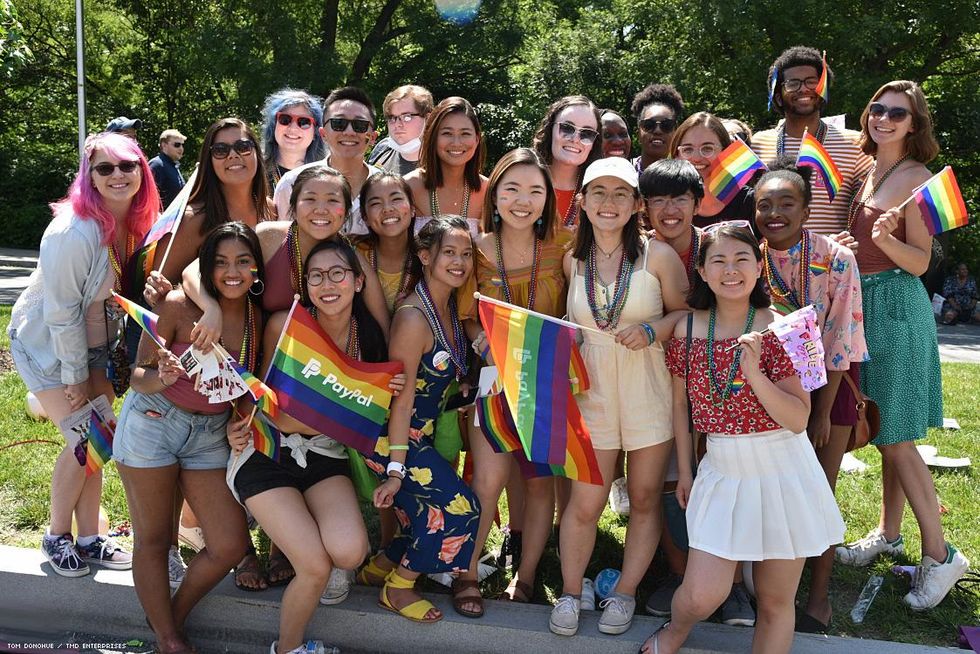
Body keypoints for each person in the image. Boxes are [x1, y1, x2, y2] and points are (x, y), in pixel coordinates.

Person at [639, 222, 845, 654]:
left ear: (758, 266)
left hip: (785, 473)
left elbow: (796, 418)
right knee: (700, 595)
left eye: (741, 259)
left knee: (774, 600)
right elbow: (681, 408)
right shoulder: (687, 330)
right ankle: (673, 633)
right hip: (723, 470)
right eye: (718, 260)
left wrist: (754, 373)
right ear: (702, 270)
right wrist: (687, 472)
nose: (730, 270)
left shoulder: (787, 328)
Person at [226, 239, 402, 654]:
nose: (328, 284)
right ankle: (288, 648)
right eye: (317, 276)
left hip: (323, 455)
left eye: (338, 273)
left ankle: (301, 529)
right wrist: (358, 406)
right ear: (305, 286)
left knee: (351, 551)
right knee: (314, 567)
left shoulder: (370, 339)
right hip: (267, 452)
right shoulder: (285, 326)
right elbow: (278, 413)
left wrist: (379, 395)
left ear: (358, 282)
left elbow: (379, 406)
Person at [836, 80, 969, 610]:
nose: (883, 118)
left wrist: (886, 239)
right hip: (862, 305)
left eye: (897, 113)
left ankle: (940, 555)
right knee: (885, 426)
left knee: (895, 434)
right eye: (877, 109)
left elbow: (920, 263)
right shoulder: (868, 171)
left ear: (914, 125)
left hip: (894, 307)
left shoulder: (920, 180)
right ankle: (889, 534)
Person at [550, 157, 687, 637]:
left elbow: (687, 315)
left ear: (635, 206)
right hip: (592, 394)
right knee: (585, 504)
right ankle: (570, 592)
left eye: (620, 194)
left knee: (646, 498)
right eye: (599, 193)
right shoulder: (572, 258)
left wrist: (653, 328)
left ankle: (624, 592)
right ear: (582, 202)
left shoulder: (659, 257)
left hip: (648, 389)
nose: (609, 203)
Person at [113, 222, 258, 654]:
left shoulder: (258, 318)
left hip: (210, 434)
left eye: (243, 262)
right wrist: (163, 377)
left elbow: (251, 386)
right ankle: (170, 640)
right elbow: (138, 376)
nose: (232, 272)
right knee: (155, 539)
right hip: (154, 421)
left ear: (256, 270)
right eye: (221, 262)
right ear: (207, 268)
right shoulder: (178, 306)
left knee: (230, 544)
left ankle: (169, 617)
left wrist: (240, 419)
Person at [8, 132, 148, 577]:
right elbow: (62, 312)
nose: (117, 175)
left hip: (97, 348)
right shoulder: (73, 230)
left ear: (141, 170)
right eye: (104, 168)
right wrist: (72, 377)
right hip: (50, 348)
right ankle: (56, 535)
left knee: (99, 442)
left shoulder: (136, 222)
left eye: (126, 165)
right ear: (88, 176)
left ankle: (89, 537)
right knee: (82, 441)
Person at [753, 160, 869, 632]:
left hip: (828, 388)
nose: (774, 213)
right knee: (767, 490)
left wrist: (820, 413)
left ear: (806, 209)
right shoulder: (746, 253)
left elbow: (842, 336)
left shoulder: (836, 258)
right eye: (764, 204)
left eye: (786, 203)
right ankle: (760, 591)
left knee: (818, 491)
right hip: (763, 386)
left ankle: (818, 597)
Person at [457, 148, 570, 614]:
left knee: (541, 483)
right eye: (512, 189)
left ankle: (525, 579)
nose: (522, 201)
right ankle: (466, 574)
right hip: (495, 380)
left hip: (548, 380)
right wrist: (481, 340)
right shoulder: (475, 249)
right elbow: (466, 316)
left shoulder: (567, 245)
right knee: (489, 479)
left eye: (535, 191)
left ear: (548, 199)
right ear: (494, 194)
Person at [357, 216, 481, 624]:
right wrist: (395, 469)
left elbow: (433, 381)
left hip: (417, 434)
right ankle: (399, 587)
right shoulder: (414, 317)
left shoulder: (446, 306)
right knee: (461, 511)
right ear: (425, 256)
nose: (459, 262)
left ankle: (377, 571)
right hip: (391, 437)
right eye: (449, 252)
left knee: (424, 515)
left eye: (466, 253)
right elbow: (401, 398)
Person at [636, 158, 703, 618]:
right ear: (644, 207)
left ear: (697, 202)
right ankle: (676, 572)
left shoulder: (721, 245)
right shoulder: (640, 254)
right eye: (657, 200)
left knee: (714, 479)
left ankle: (728, 581)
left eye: (679, 198)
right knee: (667, 482)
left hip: (719, 385)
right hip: (659, 384)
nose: (669, 209)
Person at [753, 46, 873, 236]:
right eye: (793, 83)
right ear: (778, 95)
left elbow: (867, 209)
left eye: (812, 82)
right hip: (772, 261)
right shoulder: (757, 144)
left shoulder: (855, 144)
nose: (804, 89)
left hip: (831, 261)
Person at [145, 117, 273, 294]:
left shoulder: (270, 210)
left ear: (256, 153)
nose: (233, 155)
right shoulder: (192, 220)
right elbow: (160, 295)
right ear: (209, 161)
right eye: (221, 150)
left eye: (243, 147)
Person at [273, 87, 380, 235]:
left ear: (373, 137)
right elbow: (283, 245)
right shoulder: (292, 183)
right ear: (323, 134)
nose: (349, 132)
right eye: (339, 123)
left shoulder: (388, 188)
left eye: (359, 125)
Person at [405, 96, 488, 237]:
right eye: (447, 133)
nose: (456, 142)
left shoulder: (488, 191)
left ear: (477, 138)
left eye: (465, 133)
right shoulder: (408, 186)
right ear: (432, 137)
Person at [671, 112, 755, 229]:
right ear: (676, 154)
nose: (696, 158)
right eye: (687, 149)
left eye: (707, 148)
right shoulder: (665, 202)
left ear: (725, 152)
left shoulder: (751, 201)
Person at [532, 95, 603, 230]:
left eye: (587, 133)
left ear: (594, 143)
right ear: (550, 129)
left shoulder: (601, 192)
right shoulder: (522, 179)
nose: (575, 139)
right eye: (567, 128)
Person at [259, 88, 327, 192]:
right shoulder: (255, 172)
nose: (293, 128)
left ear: (316, 132)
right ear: (274, 126)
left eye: (304, 122)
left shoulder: (328, 176)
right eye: (285, 119)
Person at [369, 85, 435, 175]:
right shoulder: (382, 149)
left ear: (428, 118)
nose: (397, 124)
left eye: (407, 117)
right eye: (392, 117)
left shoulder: (442, 164)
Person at [630, 83, 684, 174]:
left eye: (666, 125)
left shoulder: (686, 176)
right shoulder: (624, 172)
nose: (657, 130)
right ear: (638, 133)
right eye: (649, 125)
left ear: (676, 132)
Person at [148, 129, 187, 209]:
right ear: (164, 145)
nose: (181, 148)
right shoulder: (157, 165)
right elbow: (148, 197)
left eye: (182, 145)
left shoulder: (173, 165)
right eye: (177, 145)